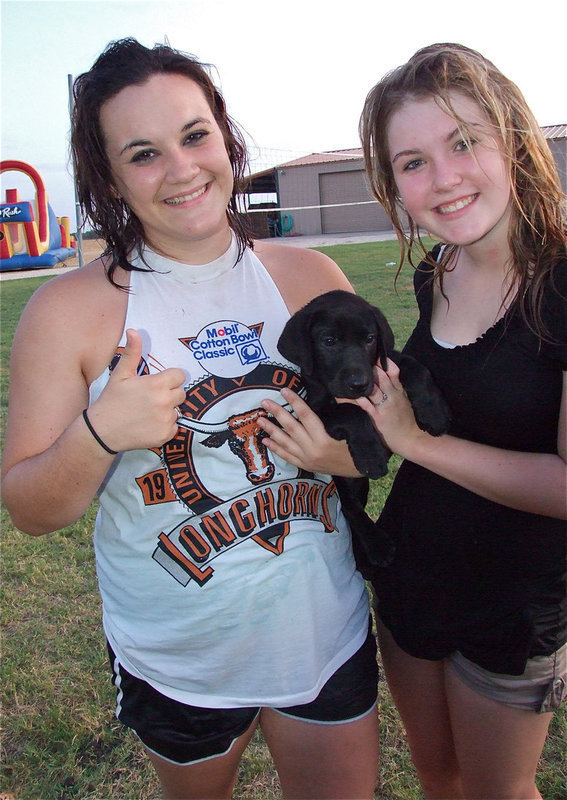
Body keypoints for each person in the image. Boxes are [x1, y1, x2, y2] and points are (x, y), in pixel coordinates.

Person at [0, 38, 380, 800]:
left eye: (194, 135)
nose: (180, 169)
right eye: (142, 153)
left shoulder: (309, 277)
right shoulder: (67, 311)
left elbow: (379, 430)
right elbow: (32, 510)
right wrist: (102, 431)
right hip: (179, 660)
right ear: (109, 175)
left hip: (326, 634)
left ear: (225, 137)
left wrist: (349, 456)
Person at [259, 43, 566, 799]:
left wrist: (414, 442)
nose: (443, 178)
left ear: (512, 140)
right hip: (409, 579)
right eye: (411, 162)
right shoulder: (439, 270)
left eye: (462, 143)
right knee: (438, 778)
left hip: (511, 603)